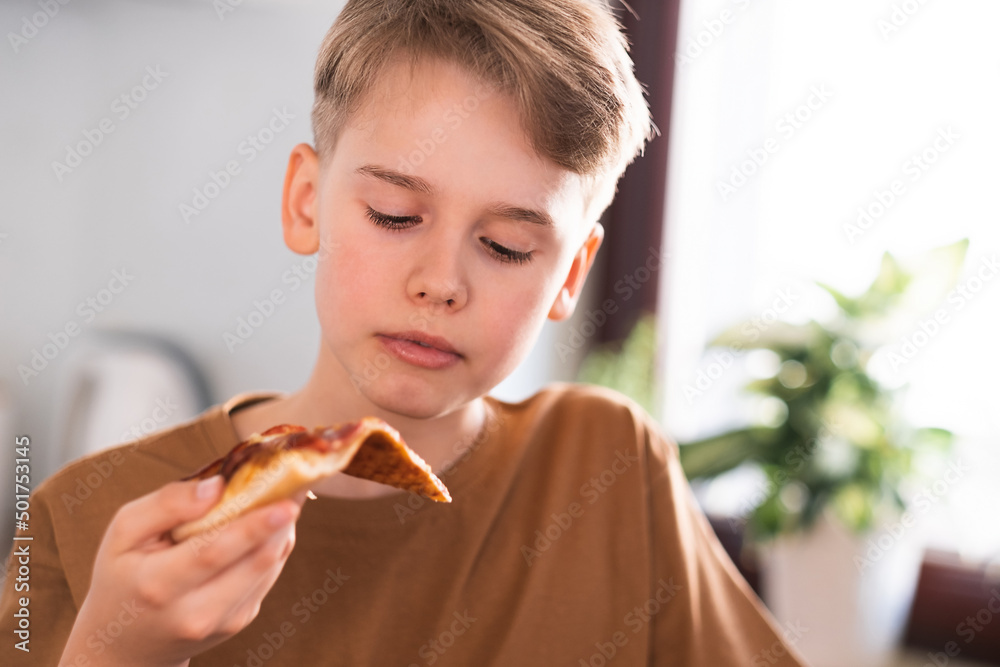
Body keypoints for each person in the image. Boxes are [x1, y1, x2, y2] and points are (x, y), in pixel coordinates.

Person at [1, 1, 809, 664]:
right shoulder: (79, 515)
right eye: (394, 215)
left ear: (569, 274)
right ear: (305, 201)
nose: (440, 281)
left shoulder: (612, 471)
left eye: (506, 246)